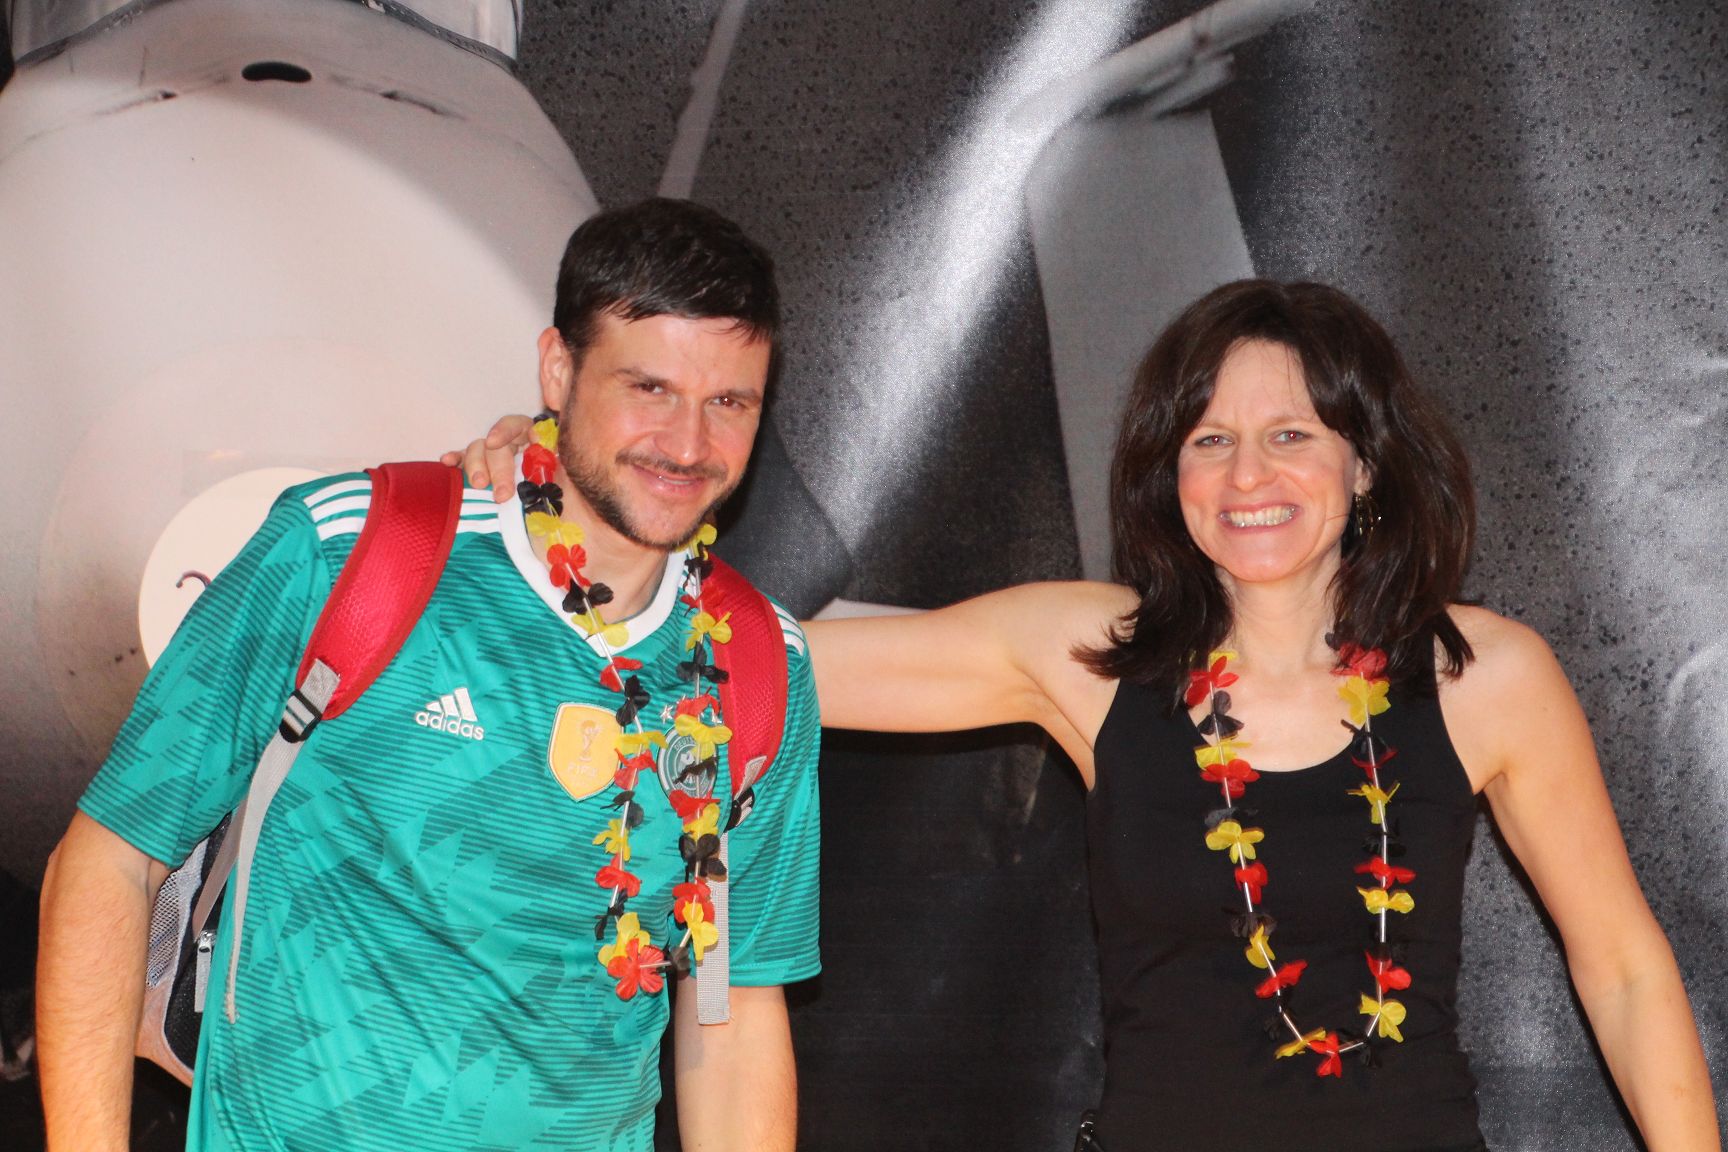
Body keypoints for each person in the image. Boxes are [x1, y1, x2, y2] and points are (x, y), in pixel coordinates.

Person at [459, 279, 1719, 1150]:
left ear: (1366, 460)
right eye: (1209, 440)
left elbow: (1621, 966)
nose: (1247, 475)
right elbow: (745, 662)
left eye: (1290, 434)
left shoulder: (1484, 675)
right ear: (1169, 474)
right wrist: (564, 492)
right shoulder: (1089, 656)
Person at [36, 197, 820, 1152]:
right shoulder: (352, 548)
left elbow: (732, 1011)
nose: (688, 444)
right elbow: (111, 859)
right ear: (559, 369)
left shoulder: (759, 664)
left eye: (729, 402)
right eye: (649, 387)